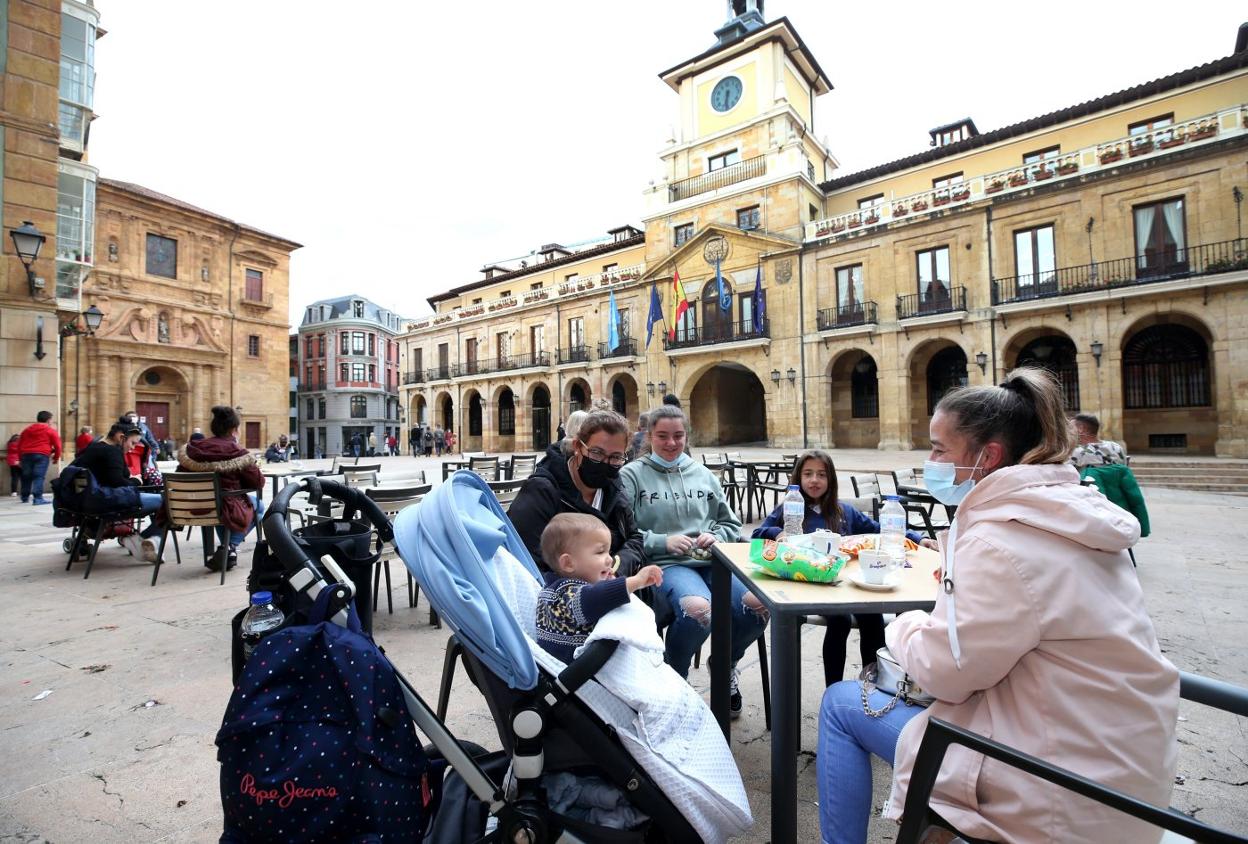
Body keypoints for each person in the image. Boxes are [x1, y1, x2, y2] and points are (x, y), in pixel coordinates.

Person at [816, 368, 1178, 844]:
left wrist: (901, 625)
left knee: (842, 703)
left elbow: (945, 673)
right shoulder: (1074, 515)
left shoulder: (1000, 540)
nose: (931, 460)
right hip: (1126, 776)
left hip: (1055, 790)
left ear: (987, 456)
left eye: (940, 449)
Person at [618, 404, 766, 718]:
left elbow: (730, 524)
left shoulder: (702, 475)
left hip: (712, 562)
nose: (671, 443)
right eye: (662, 436)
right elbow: (622, 532)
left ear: (687, 436)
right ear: (649, 436)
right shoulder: (631, 475)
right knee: (700, 610)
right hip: (665, 565)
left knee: (758, 605)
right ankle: (675, 679)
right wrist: (662, 540)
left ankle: (725, 664)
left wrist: (717, 536)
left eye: (678, 436)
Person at [751, 450, 933, 686]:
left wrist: (917, 538)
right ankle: (833, 687)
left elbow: (880, 530)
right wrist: (778, 532)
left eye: (821, 475)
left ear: (831, 481)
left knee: (873, 616)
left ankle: (872, 679)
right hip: (812, 586)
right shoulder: (789, 508)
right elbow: (757, 534)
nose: (814, 480)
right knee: (840, 620)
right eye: (808, 474)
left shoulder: (843, 512)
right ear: (798, 478)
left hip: (847, 583)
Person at [510, 409, 646, 580]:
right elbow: (523, 559)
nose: (605, 462)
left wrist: (614, 570)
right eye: (596, 452)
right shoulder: (542, 491)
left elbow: (634, 538)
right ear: (577, 447)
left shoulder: (613, 487)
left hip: (613, 586)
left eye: (616, 457)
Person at [535, 513, 664, 663]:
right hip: (575, 675)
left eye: (609, 552)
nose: (610, 558)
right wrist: (636, 581)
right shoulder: (564, 593)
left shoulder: (559, 588)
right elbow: (594, 598)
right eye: (600, 552)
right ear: (568, 564)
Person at [178, 405, 265, 572]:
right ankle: (229, 547)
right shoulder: (237, 452)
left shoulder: (192, 449)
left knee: (223, 502)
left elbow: (181, 475)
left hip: (191, 506)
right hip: (223, 507)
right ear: (234, 429)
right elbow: (258, 483)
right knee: (258, 506)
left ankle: (227, 550)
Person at [71, 422, 162, 562]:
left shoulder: (93, 448)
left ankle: (143, 541)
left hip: (90, 501)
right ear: (121, 437)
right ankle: (141, 540)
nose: (132, 448)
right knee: (167, 501)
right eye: (132, 443)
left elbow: (109, 477)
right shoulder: (112, 451)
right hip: (110, 501)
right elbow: (117, 482)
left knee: (161, 500)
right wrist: (136, 481)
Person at [18, 411, 62, 505]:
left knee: (26, 476)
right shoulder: (50, 430)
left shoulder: (27, 430)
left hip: (26, 454)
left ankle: (24, 497)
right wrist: (56, 457)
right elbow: (58, 445)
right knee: (39, 476)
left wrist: (20, 458)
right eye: (51, 420)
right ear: (48, 420)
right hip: (42, 455)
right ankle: (37, 498)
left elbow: (19, 444)